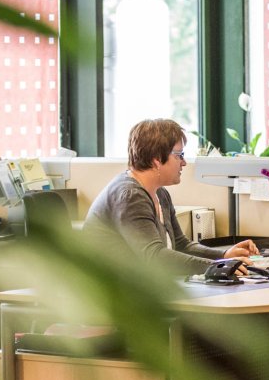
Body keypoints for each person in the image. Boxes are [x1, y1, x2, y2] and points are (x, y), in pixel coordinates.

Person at [83, 118, 259, 275]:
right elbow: (155, 256)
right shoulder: (130, 196)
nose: (184, 162)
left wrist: (224, 255)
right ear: (156, 160)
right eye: (179, 155)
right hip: (109, 298)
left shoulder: (159, 192)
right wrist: (219, 266)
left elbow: (181, 244)